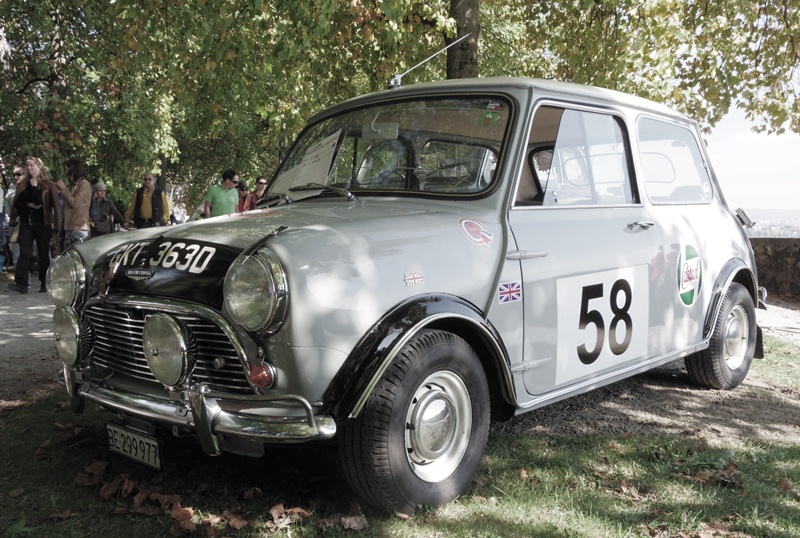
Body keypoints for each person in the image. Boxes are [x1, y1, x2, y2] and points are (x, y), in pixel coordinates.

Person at [9, 156, 62, 294]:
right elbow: (17, 203)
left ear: (40, 167)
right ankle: (21, 284)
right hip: (27, 224)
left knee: (43, 254)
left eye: (32, 165)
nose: (29, 168)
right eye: (28, 166)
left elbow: (56, 207)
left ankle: (45, 283)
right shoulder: (23, 185)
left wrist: (56, 228)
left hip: (43, 224)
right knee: (24, 253)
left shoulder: (49, 185)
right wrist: (15, 216)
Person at [56, 158, 93, 249]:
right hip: (68, 228)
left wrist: (63, 189)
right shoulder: (71, 186)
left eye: (66, 169)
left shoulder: (84, 184)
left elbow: (74, 203)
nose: (65, 172)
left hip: (80, 228)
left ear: (73, 170)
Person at [4, 166, 25, 271]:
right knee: (17, 256)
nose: (16, 177)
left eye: (19, 174)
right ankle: (21, 283)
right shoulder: (12, 190)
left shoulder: (32, 188)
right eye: (14, 175)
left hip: (29, 225)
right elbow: (11, 209)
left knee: (39, 253)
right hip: (15, 227)